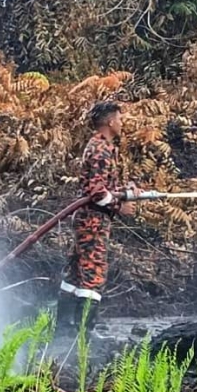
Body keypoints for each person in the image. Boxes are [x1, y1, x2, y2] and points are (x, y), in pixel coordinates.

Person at [56, 100, 140, 333]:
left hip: (88, 221)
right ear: (110, 122)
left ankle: (64, 331)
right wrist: (119, 207)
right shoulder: (100, 150)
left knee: (75, 273)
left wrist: (127, 191)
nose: (122, 123)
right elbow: (96, 192)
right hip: (92, 223)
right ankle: (83, 337)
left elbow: (105, 186)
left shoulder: (101, 147)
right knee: (93, 275)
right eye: (120, 119)